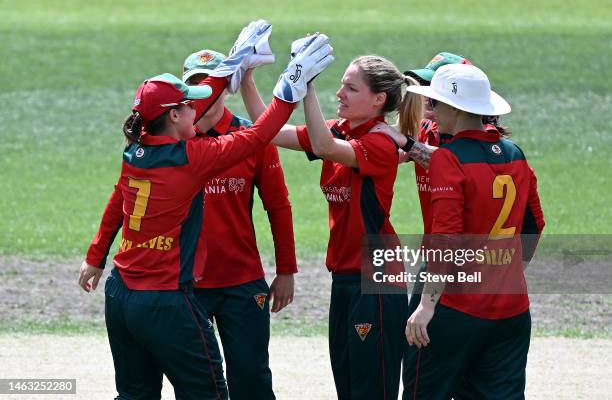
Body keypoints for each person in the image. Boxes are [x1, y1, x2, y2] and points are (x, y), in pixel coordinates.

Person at [78, 26, 334, 400]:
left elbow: (183, 113)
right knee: (209, 392)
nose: (196, 107)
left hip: (121, 293)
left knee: (135, 395)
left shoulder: (134, 149)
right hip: (166, 298)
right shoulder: (191, 158)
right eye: (188, 104)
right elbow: (258, 136)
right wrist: (291, 84)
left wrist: (234, 64)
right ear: (177, 115)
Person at [240, 53, 422, 400]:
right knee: (348, 387)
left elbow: (324, 147)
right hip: (344, 278)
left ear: (378, 100)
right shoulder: (341, 130)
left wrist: (307, 86)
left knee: (372, 392)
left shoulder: (380, 143)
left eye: (351, 88)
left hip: (376, 281)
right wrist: (247, 79)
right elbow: (270, 133)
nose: (339, 93)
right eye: (340, 85)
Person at [393, 63, 545, 399]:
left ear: (456, 110)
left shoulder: (449, 158)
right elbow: (535, 223)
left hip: (456, 309)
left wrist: (427, 305)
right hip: (512, 310)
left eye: (437, 104)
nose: (431, 111)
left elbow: (445, 238)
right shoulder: (515, 153)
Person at [183, 49, 297, 400]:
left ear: (227, 86)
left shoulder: (252, 137)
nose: (203, 89)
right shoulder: (171, 140)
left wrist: (286, 270)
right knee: (196, 384)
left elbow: (278, 206)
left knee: (252, 378)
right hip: (186, 282)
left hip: (242, 282)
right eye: (193, 83)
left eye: (210, 82)